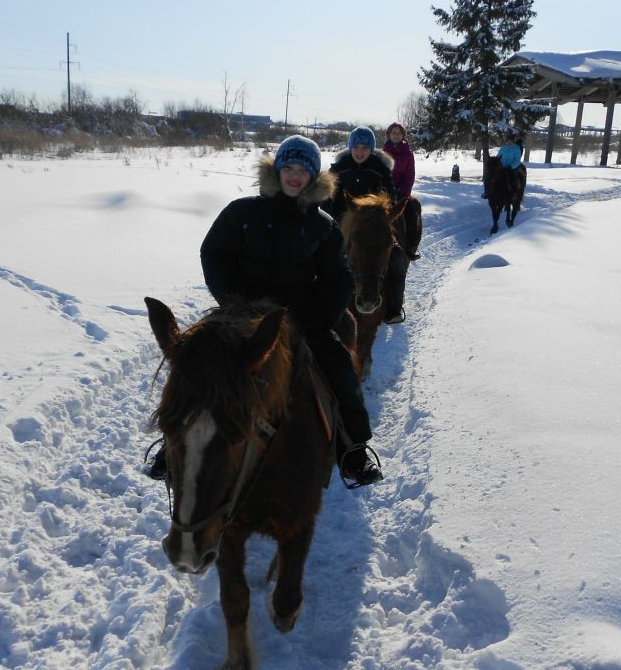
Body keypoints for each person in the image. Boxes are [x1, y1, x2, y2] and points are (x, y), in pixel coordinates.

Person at [146, 135, 383, 488]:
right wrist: (234, 302)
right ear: (277, 170)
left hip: (301, 320)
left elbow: (339, 279)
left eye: (303, 170)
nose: (294, 175)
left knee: (340, 371)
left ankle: (353, 449)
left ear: (313, 177)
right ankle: (172, 446)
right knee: (196, 360)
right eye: (288, 167)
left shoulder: (322, 226)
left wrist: (315, 318)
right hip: (240, 315)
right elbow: (214, 253)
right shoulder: (242, 213)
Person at [325, 126, 409, 325]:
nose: (360, 152)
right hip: (344, 227)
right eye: (356, 147)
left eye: (364, 147)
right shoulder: (338, 170)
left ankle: (394, 308)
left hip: (375, 228)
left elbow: (390, 197)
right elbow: (328, 200)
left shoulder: (380, 169)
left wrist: (378, 213)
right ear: (350, 148)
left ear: (371, 149)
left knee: (396, 259)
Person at [383, 122, 421, 261]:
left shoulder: (408, 154)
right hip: (385, 193)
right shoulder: (383, 153)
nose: (396, 135)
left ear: (403, 135)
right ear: (389, 135)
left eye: (399, 133)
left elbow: (410, 175)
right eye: (394, 133)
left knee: (412, 212)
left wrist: (403, 192)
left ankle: (411, 247)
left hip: (401, 193)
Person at [485, 134, 523, 199]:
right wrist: (496, 163)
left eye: (510, 141)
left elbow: (517, 159)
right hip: (502, 166)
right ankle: (488, 192)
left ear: (513, 141)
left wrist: (512, 166)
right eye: (508, 141)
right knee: (489, 178)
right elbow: (498, 156)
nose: (509, 142)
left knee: (514, 178)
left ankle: (514, 192)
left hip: (511, 167)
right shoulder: (503, 148)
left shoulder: (516, 149)